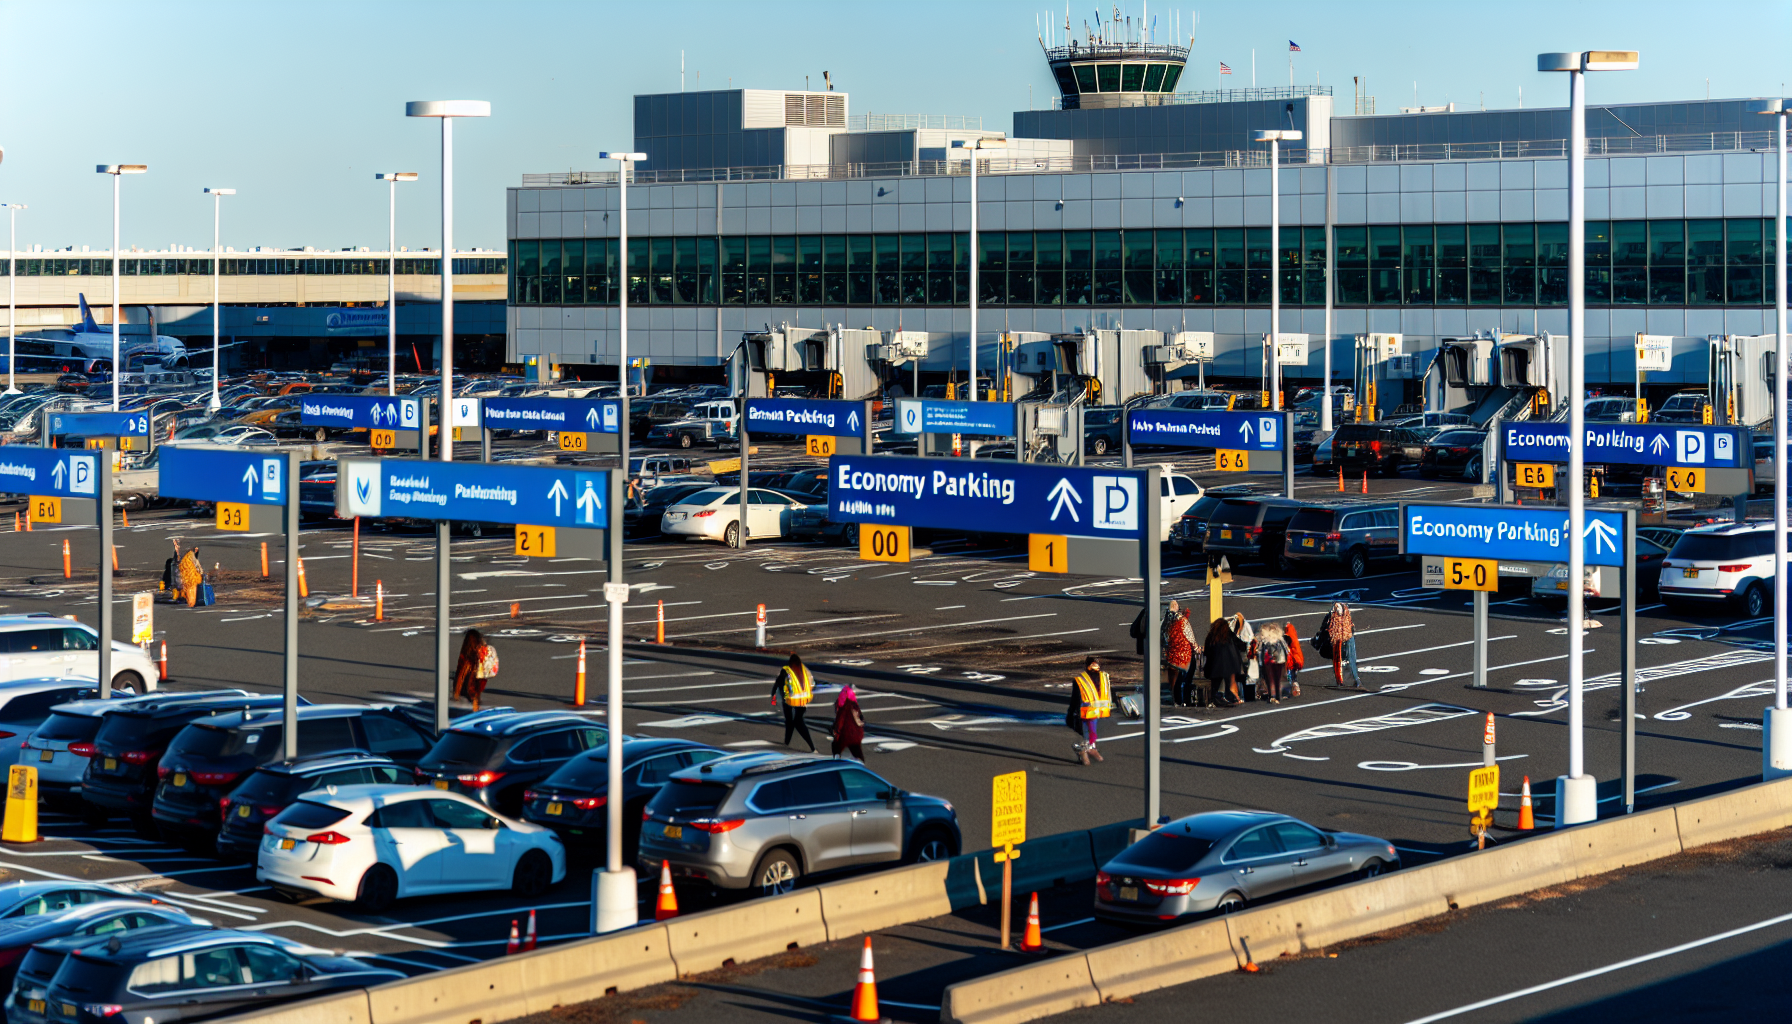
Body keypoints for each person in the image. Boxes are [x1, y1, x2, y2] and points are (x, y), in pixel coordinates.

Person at [1067, 656, 1112, 764]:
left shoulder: (1080, 679)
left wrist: (1070, 712)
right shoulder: (1104, 677)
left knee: (1088, 731)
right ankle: (1089, 749)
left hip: (1087, 710)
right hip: (1097, 710)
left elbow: (1075, 698)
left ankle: (1085, 749)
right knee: (1091, 731)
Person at [770, 652, 817, 751]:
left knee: (790, 722)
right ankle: (808, 745)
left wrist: (773, 694)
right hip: (804, 699)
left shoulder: (786, 670)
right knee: (797, 721)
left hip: (790, 700)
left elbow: (778, 683)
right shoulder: (804, 670)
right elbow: (812, 683)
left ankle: (789, 743)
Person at [1202, 616, 1246, 707]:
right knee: (1229, 682)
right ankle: (1230, 698)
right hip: (1230, 665)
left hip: (1214, 666)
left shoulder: (1211, 637)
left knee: (1215, 683)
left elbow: (1207, 652)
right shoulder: (1228, 636)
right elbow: (1241, 645)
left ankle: (1213, 699)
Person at [452, 629, 498, 712]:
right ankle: (475, 704)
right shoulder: (481, 649)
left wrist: (456, 692)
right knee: (474, 685)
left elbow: (461, 673)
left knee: (470, 686)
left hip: (471, 681)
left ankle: (474, 704)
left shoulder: (468, 654)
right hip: (477, 676)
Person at [1322, 602, 1362, 689]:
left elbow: (1329, 623)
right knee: (1349, 658)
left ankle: (1343, 681)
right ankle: (1354, 680)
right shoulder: (1345, 610)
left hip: (1339, 635)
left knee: (1340, 659)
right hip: (1345, 634)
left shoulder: (1335, 611)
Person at [1165, 601, 1197, 706]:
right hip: (1184, 653)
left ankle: (1176, 700)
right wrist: (1197, 648)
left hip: (1172, 654)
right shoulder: (1182, 621)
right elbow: (1189, 636)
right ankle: (1186, 700)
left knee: (1175, 678)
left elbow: (1164, 637)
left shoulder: (1166, 621)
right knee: (1187, 676)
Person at [1255, 623, 1289, 703]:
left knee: (1269, 679)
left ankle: (1271, 695)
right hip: (1279, 660)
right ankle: (1277, 696)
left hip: (1268, 661)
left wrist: (1260, 662)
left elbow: (1259, 651)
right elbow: (1286, 650)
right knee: (1277, 679)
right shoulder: (1280, 639)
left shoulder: (1264, 640)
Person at [831, 683, 865, 761]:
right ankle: (861, 765)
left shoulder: (843, 708)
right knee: (857, 751)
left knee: (836, 747)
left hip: (845, 734)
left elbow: (840, 722)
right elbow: (861, 719)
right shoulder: (855, 706)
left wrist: (836, 730)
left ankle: (836, 761)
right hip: (856, 735)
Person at [1283, 621, 1305, 699]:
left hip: (1290, 663)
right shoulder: (1293, 640)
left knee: (1288, 677)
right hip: (1293, 663)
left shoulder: (1288, 639)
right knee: (1292, 676)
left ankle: (1288, 690)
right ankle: (1293, 687)